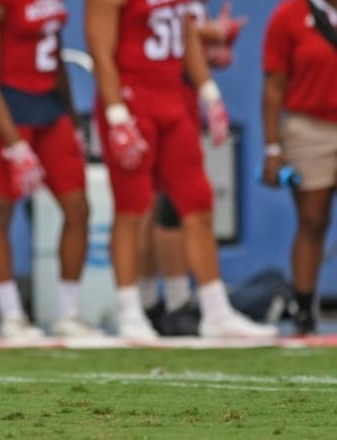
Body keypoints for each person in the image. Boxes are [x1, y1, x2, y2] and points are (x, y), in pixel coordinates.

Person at [85, 0, 277, 339]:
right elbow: (101, 52)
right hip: (133, 97)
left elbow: (186, 33)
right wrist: (116, 115)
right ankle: (130, 311)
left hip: (172, 97)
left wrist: (209, 91)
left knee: (198, 200)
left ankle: (216, 311)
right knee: (133, 206)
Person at [0, 0, 102, 341]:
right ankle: (11, 315)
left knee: (79, 208)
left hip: (50, 107)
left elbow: (54, 57)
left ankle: (66, 313)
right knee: (1, 211)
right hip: (7, 108)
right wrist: (15, 144)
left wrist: (71, 118)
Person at [140, 0, 247, 336]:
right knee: (152, 205)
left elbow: (182, 40)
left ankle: (177, 301)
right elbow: (151, 32)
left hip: (181, 101)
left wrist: (209, 51)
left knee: (187, 201)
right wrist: (207, 34)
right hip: (149, 99)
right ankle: (159, 302)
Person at [261, 0, 337, 335]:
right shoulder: (289, 15)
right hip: (309, 126)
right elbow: (274, 84)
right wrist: (272, 147)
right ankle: (304, 310)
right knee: (312, 219)